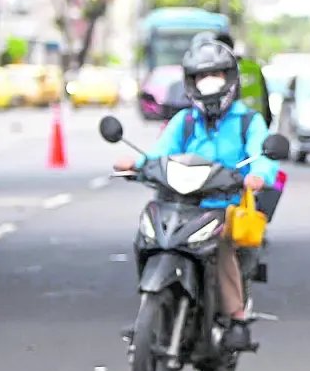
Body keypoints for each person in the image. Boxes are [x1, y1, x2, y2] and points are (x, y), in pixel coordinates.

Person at [114, 38, 279, 351]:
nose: (209, 82)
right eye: (201, 76)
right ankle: (146, 314)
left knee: (222, 248)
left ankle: (236, 316)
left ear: (230, 78)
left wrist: (259, 174)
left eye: (216, 74)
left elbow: (263, 154)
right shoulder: (184, 121)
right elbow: (159, 154)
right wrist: (135, 164)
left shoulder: (248, 121)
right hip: (178, 203)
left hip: (224, 206)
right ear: (190, 82)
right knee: (147, 237)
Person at [209, 31, 274, 129]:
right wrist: (267, 122)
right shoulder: (253, 66)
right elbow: (265, 97)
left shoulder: (214, 72)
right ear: (232, 45)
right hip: (257, 123)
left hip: (231, 126)